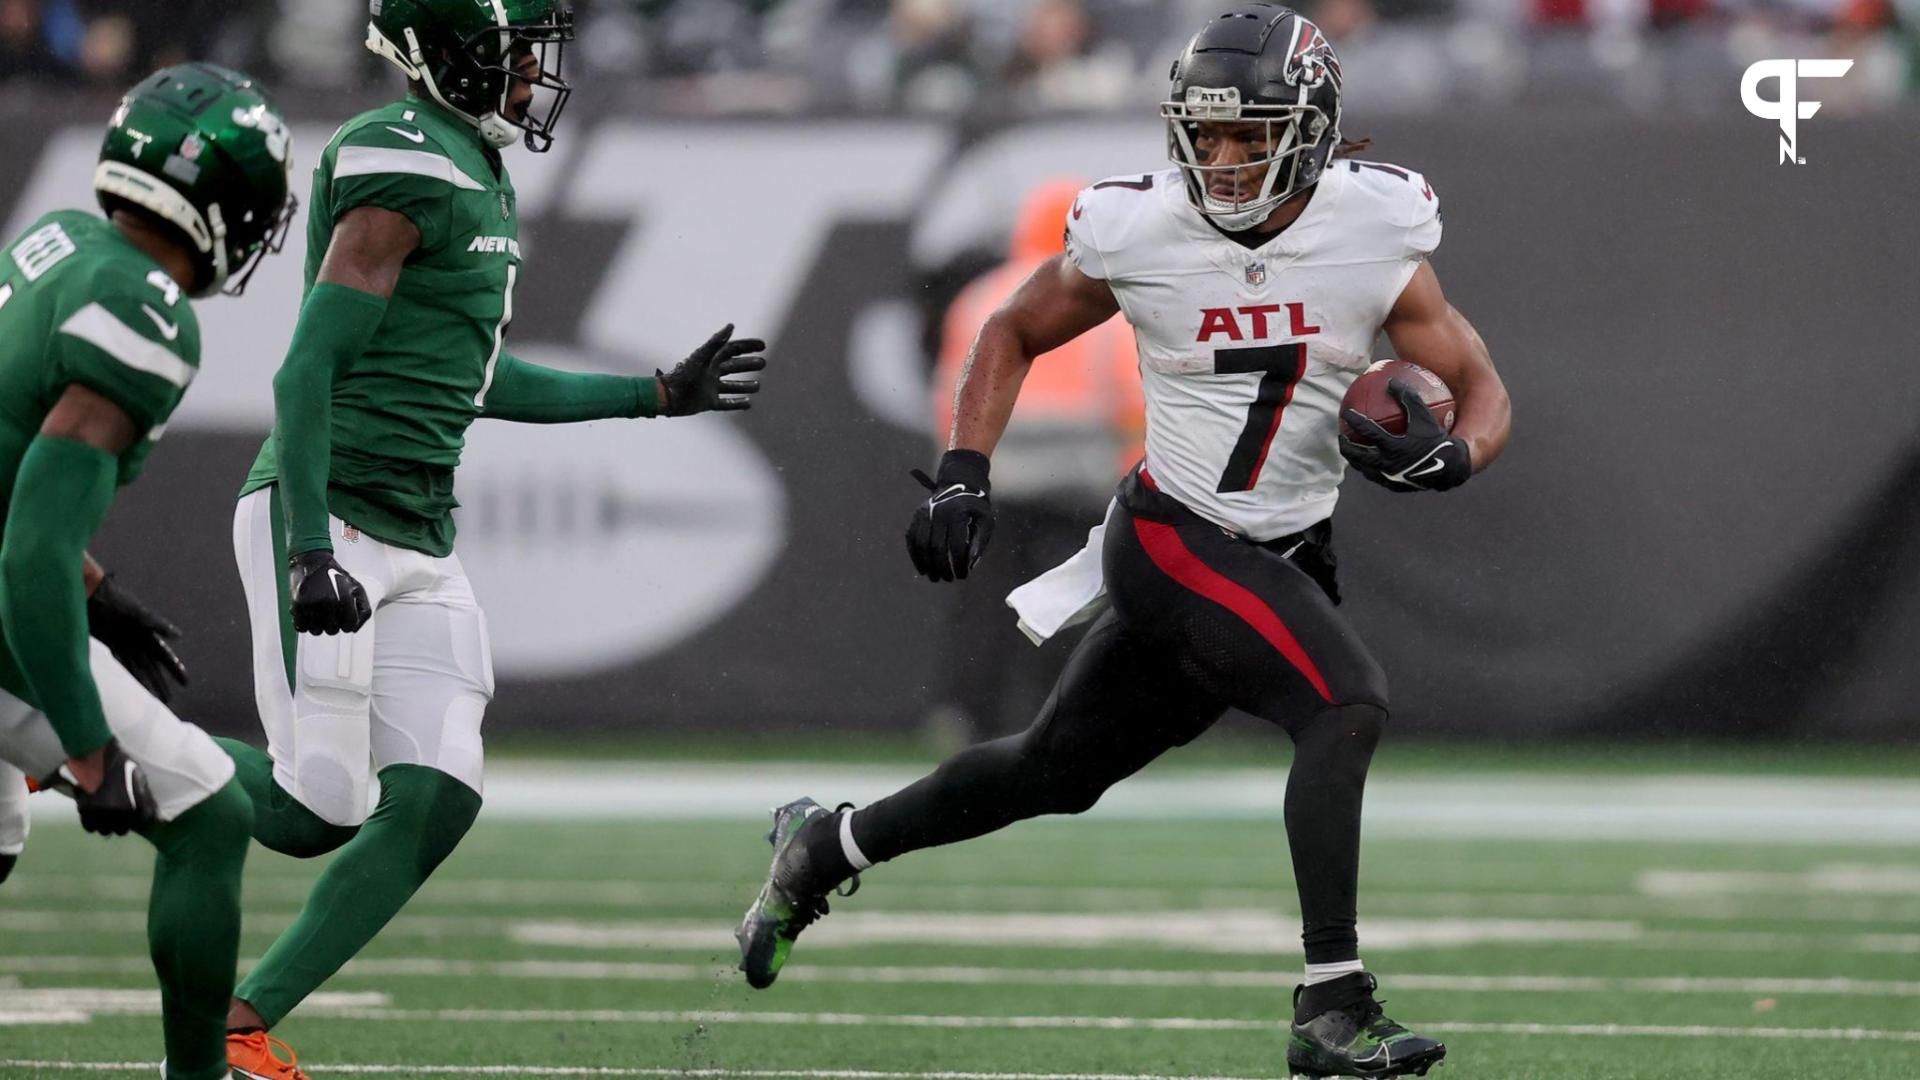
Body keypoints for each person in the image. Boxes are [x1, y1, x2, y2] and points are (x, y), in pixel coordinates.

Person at [738, 6, 1509, 1078]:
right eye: (1209, 134)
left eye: (1252, 135)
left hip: (1281, 550)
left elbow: (1478, 385)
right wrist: (965, 471)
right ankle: (1334, 1004)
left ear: (1315, 128)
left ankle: (824, 847)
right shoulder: (1140, 228)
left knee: (1052, 770)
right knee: (1344, 703)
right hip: (1175, 537)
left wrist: (1461, 456)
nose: (1225, 158)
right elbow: (1010, 328)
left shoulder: (1375, 227)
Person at [216, 3, 770, 1076]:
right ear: (446, 52)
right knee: (309, 810)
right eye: (514, 51)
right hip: (328, 508)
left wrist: (649, 394)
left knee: (436, 795)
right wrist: (304, 549)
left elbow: (474, 376)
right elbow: (302, 372)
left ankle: (240, 1025)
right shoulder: (401, 155)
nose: (532, 72)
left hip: (419, 525)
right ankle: (83, 729)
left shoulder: (476, 161)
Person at [0, 62, 296, 1080]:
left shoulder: (60, 243)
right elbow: (25, 553)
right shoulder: (146, 313)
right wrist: (85, 750)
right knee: (211, 814)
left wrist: (91, 588)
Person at [929, 177, 1143, 736]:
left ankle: (967, 715)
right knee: (1081, 598)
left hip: (999, 474)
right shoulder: (1105, 303)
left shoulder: (980, 296)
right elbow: (1135, 400)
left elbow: (953, 391)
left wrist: (954, 473)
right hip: (1081, 478)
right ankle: (1072, 713)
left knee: (984, 605)